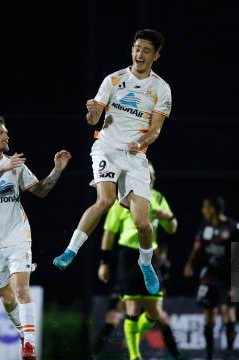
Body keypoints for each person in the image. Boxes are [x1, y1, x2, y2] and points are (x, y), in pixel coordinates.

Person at [53, 29, 172, 297]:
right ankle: (71, 250)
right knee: (104, 200)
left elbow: (155, 130)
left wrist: (141, 144)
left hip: (135, 155)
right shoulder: (113, 80)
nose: (139, 54)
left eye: (145, 50)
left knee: (142, 223)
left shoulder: (161, 89)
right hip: (106, 148)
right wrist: (93, 113)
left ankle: (146, 264)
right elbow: (92, 121)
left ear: (156, 55)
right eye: (136, 48)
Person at [0, 116, 71, 360]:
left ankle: (29, 348)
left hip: (18, 234)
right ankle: (24, 334)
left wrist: (57, 170)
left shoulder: (16, 165)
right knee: (7, 297)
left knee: (22, 289)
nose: (7, 136)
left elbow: (41, 191)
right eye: (2, 133)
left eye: (6, 132)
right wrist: (3, 168)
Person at [95, 163, 183, 360]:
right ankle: (135, 356)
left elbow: (172, 228)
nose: (148, 178)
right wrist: (104, 262)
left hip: (150, 255)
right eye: (145, 175)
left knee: (154, 313)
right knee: (132, 308)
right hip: (128, 255)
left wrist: (168, 218)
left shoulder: (158, 198)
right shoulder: (123, 198)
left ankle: (133, 335)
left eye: (151, 175)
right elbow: (109, 233)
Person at [184, 196, 239, 360]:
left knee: (228, 311)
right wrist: (190, 264)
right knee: (209, 314)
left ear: (213, 208)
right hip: (210, 274)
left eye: (205, 207)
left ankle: (230, 353)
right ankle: (209, 355)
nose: (203, 210)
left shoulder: (233, 226)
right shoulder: (205, 226)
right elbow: (197, 246)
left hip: (230, 275)